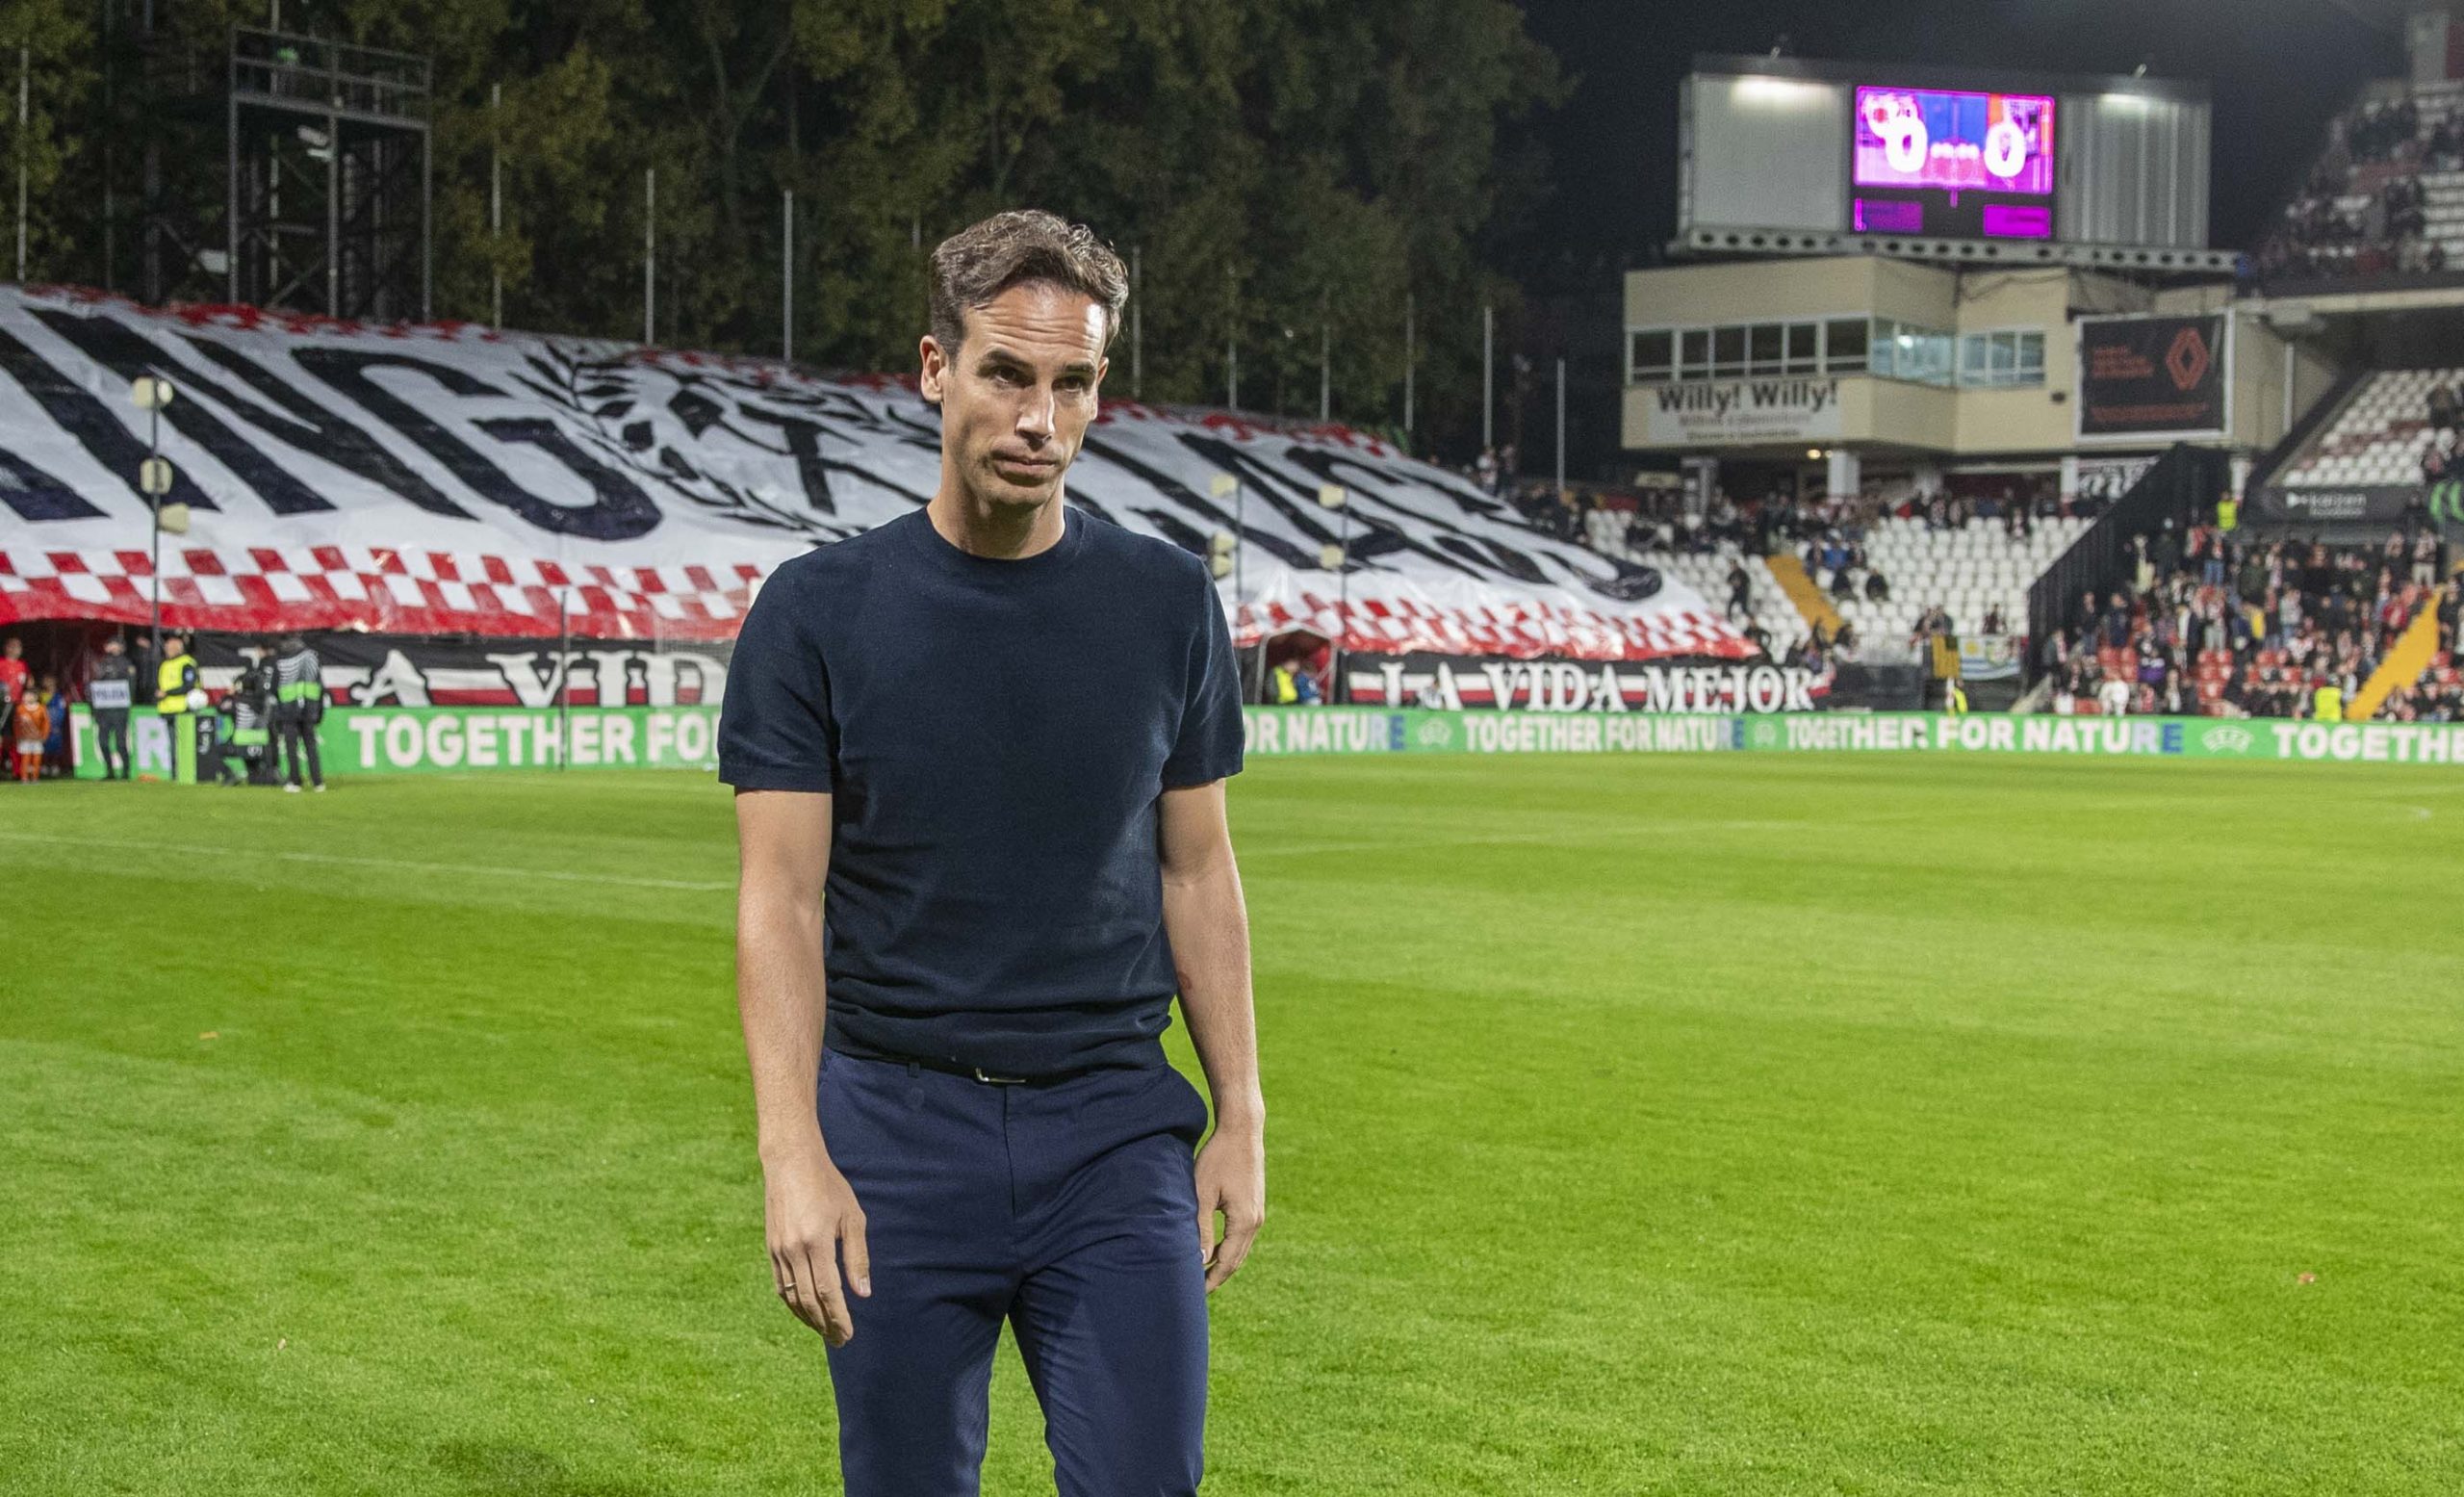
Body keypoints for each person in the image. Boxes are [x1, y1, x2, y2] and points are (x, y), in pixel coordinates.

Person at [717, 209, 1261, 1497]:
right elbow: (780, 898)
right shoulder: (816, 613)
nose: (1039, 417)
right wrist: (791, 1148)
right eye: (1007, 373)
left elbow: (1198, 869)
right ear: (933, 369)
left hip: (1114, 1131)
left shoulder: (1168, 601)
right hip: (894, 1129)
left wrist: (1240, 1109)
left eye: (1072, 381)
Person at [270, 632, 327, 792]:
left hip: (289, 710)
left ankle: (295, 781)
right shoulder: (312, 656)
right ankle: (318, 782)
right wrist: (318, 710)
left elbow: (274, 688)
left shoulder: (280, 661)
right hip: (309, 708)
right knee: (310, 745)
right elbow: (320, 685)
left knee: (291, 746)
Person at [154, 632, 201, 781]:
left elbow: (189, 685)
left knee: (184, 745)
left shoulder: (186, 663)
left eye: (170, 647)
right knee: (173, 744)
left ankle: (186, 772)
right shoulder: (165, 664)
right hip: (168, 709)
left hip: (183, 709)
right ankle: (176, 773)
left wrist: (167, 693)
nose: (167, 649)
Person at [89, 636, 136, 780]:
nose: (112, 647)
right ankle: (109, 771)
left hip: (119, 710)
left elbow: (131, 687)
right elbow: (93, 686)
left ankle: (126, 771)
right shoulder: (100, 663)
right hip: (104, 711)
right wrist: (93, 708)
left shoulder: (126, 664)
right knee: (102, 741)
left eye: (115, 645)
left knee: (121, 743)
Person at [12, 679, 47, 782]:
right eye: (26, 695)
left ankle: (35, 777)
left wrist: (44, 735)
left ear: (35, 697)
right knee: (25, 758)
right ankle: (24, 777)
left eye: (30, 695)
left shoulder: (41, 709)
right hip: (25, 738)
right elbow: (16, 724)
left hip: (37, 738)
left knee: (36, 758)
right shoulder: (20, 709)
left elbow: (46, 724)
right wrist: (18, 736)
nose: (27, 697)